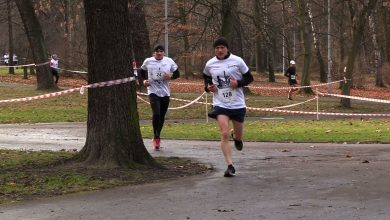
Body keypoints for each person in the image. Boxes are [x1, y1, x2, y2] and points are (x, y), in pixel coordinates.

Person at [203, 37, 254, 177]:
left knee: (238, 135)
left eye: (222, 48)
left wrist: (237, 83)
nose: (219, 50)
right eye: (217, 48)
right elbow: (206, 78)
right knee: (224, 133)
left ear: (227, 48)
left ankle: (237, 138)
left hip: (237, 103)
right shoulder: (210, 64)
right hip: (220, 103)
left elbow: (249, 78)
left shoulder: (237, 61)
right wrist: (208, 87)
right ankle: (230, 166)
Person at [139, 45, 180, 150]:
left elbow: (177, 73)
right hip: (153, 91)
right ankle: (156, 138)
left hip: (165, 93)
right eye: (157, 51)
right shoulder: (148, 61)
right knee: (156, 114)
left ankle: (157, 136)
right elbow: (141, 71)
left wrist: (171, 76)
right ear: (154, 53)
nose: (159, 53)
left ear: (164, 53)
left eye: (161, 51)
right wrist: (144, 81)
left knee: (161, 116)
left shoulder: (169, 61)